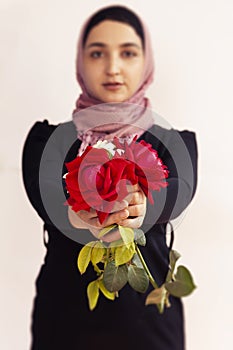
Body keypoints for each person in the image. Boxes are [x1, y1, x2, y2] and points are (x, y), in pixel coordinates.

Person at [22, 5, 198, 350]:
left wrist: (141, 208)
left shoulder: (174, 144)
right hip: (65, 322)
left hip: (150, 327)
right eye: (97, 53)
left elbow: (179, 190)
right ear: (80, 61)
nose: (113, 68)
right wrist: (76, 214)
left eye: (128, 53)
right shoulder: (47, 142)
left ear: (145, 62)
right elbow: (44, 193)